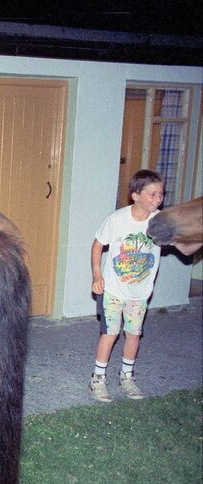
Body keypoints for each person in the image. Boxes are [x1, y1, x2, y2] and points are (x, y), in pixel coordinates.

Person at [89, 169, 165, 402]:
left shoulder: (161, 221)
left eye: (161, 194)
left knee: (133, 334)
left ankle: (127, 377)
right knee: (110, 334)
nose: (158, 199)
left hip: (139, 293)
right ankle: (97, 380)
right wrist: (97, 274)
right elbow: (97, 245)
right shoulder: (117, 219)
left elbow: (182, 242)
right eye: (152, 194)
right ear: (136, 195)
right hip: (113, 289)